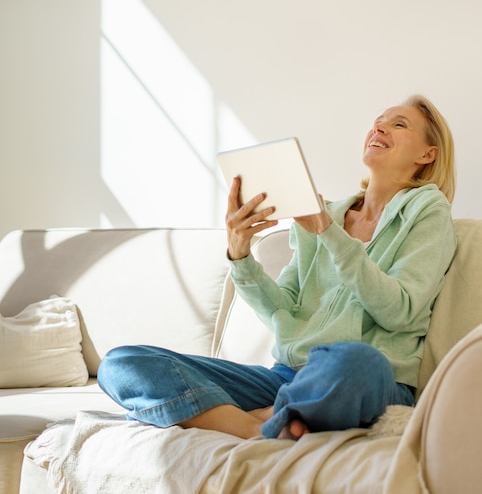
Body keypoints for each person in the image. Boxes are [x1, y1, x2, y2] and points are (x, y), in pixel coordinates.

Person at [98, 94, 457, 440]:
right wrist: (240, 254)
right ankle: (255, 426)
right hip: (284, 378)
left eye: (398, 124)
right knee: (122, 364)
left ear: (428, 153)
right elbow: (281, 311)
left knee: (358, 361)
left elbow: (401, 312)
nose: (379, 130)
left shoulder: (427, 210)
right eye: (377, 123)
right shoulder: (325, 214)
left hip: (366, 378)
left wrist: (329, 235)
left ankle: (235, 413)